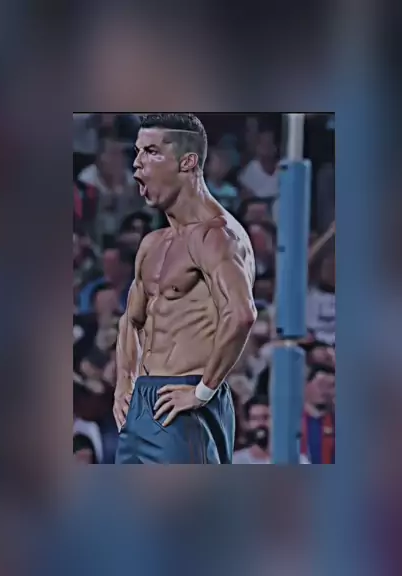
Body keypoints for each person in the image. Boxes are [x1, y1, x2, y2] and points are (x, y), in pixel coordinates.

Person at [114, 113, 257, 464]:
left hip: (185, 398)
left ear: (188, 162)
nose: (137, 163)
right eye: (137, 152)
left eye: (151, 152)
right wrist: (124, 382)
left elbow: (241, 314)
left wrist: (202, 391)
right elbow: (131, 320)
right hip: (143, 402)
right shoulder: (153, 243)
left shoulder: (217, 235)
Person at [232, 396, 271, 464]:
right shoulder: (236, 460)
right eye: (254, 418)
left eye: (265, 417)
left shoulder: (287, 457)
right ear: (247, 423)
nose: (260, 423)